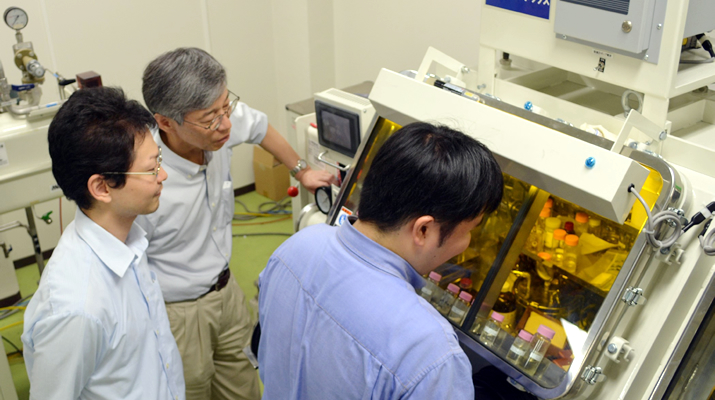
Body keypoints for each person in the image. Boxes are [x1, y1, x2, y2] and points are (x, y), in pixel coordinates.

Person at [136, 47, 334, 400]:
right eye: (211, 118)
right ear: (166, 122)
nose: (226, 123)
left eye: (226, 107)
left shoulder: (219, 123)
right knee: (189, 389)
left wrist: (301, 170)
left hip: (227, 291)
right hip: (177, 313)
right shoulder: (143, 180)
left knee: (242, 382)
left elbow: (258, 127)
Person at [258, 122, 504, 399]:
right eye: (470, 230)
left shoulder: (296, 247)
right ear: (423, 230)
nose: (467, 243)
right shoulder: (430, 351)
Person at [21, 87, 184, 400]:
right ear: (101, 187)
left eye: (159, 160)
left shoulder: (130, 241)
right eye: (151, 168)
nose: (162, 174)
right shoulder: (77, 308)